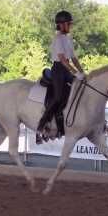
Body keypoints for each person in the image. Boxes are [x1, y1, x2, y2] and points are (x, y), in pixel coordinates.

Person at [37, 10, 85, 139]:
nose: (70, 26)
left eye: (70, 24)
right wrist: (75, 72)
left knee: (77, 90)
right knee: (58, 98)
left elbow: (73, 58)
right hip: (58, 70)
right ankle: (42, 123)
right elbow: (63, 60)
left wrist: (82, 72)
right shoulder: (58, 39)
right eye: (68, 24)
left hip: (66, 69)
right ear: (61, 25)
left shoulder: (68, 38)